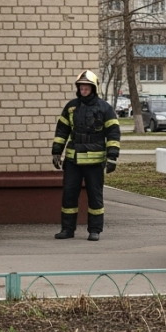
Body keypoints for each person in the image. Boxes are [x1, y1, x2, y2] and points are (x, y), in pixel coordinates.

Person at [51, 70, 121, 242]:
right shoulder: (71, 107)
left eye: (87, 87)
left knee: (95, 195)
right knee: (69, 194)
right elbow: (62, 131)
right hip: (73, 160)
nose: (83, 89)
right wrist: (56, 152)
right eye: (81, 86)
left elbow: (113, 133)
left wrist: (112, 157)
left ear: (93, 88)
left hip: (95, 162)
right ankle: (67, 229)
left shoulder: (105, 108)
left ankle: (95, 230)